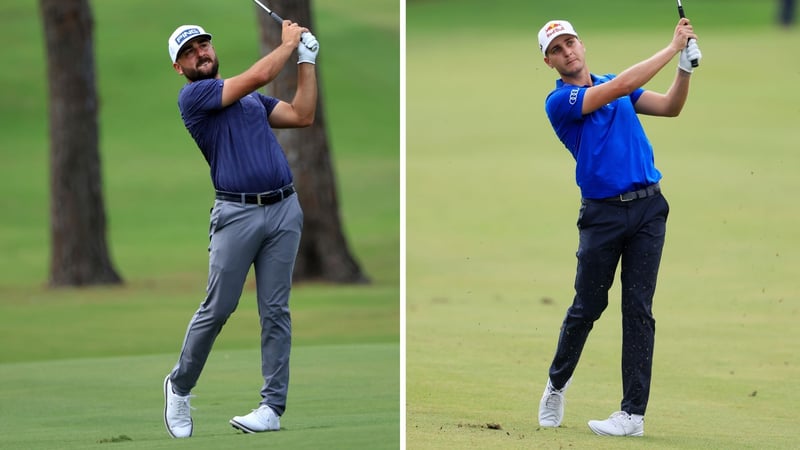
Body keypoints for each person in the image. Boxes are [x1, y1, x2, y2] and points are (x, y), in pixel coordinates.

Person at [534, 19, 702, 437]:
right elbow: (618, 87)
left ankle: (632, 416)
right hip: (603, 216)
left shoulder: (616, 83)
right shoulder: (562, 101)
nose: (567, 51)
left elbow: (670, 107)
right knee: (587, 307)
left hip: (649, 209)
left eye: (570, 42)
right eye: (557, 49)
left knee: (639, 310)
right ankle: (557, 383)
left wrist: (684, 66)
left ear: (581, 44)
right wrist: (671, 47)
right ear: (549, 61)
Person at [162, 21, 319, 438]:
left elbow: (302, 115)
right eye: (189, 52)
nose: (201, 53)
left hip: (284, 209)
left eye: (204, 44)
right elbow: (262, 74)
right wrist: (288, 43)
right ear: (180, 67)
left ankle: (272, 408)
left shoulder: (252, 103)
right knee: (219, 308)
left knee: (276, 312)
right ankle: (179, 386)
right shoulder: (194, 97)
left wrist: (306, 60)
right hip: (236, 216)